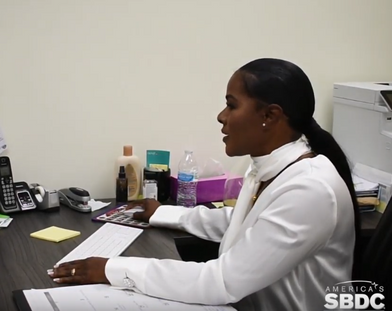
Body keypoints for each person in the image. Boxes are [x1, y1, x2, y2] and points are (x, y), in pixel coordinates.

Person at [48, 58, 360, 311]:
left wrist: (112, 270)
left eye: (232, 105)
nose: (221, 116)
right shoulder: (272, 167)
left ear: (269, 115)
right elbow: (244, 223)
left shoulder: (309, 190)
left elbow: (222, 281)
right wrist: (164, 214)